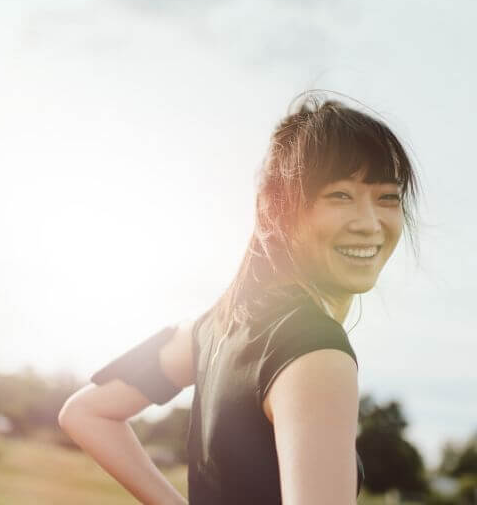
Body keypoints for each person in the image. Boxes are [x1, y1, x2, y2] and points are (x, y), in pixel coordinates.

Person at [57, 90, 420, 505]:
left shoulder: (211, 328)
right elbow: (84, 415)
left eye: (387, 198)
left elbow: (86, 412)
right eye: (340, 195)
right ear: (280, 210)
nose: (370, 223)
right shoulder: (317, 351)